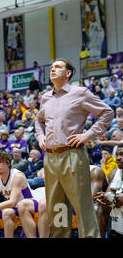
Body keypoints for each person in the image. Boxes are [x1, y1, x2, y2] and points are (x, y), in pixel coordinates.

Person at [35, 58, 113, 238]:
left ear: (68, 73)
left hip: (72, 155)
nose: (53, 69)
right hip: (50, 158)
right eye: (52, 67)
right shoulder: (46, 97)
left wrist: (87, 135)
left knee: (83, 207)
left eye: (58, 67)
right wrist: (40, 137)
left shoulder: (80, 93)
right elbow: (38, 120)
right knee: (58, 209)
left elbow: (107, 112)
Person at [0, 151, 37, 238]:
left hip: (27, 207)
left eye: (0, 162)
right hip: (13, 208)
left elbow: (12, 202)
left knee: (6, 212)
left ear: (8, 163)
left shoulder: (17, 176)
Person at [94, 148, 123, 238]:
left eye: (122, 155)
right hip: (116, 221)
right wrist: (103, 197)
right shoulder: (114, 172)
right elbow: (109, 197)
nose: (118, 158)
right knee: (98, 207)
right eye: (117, 155)